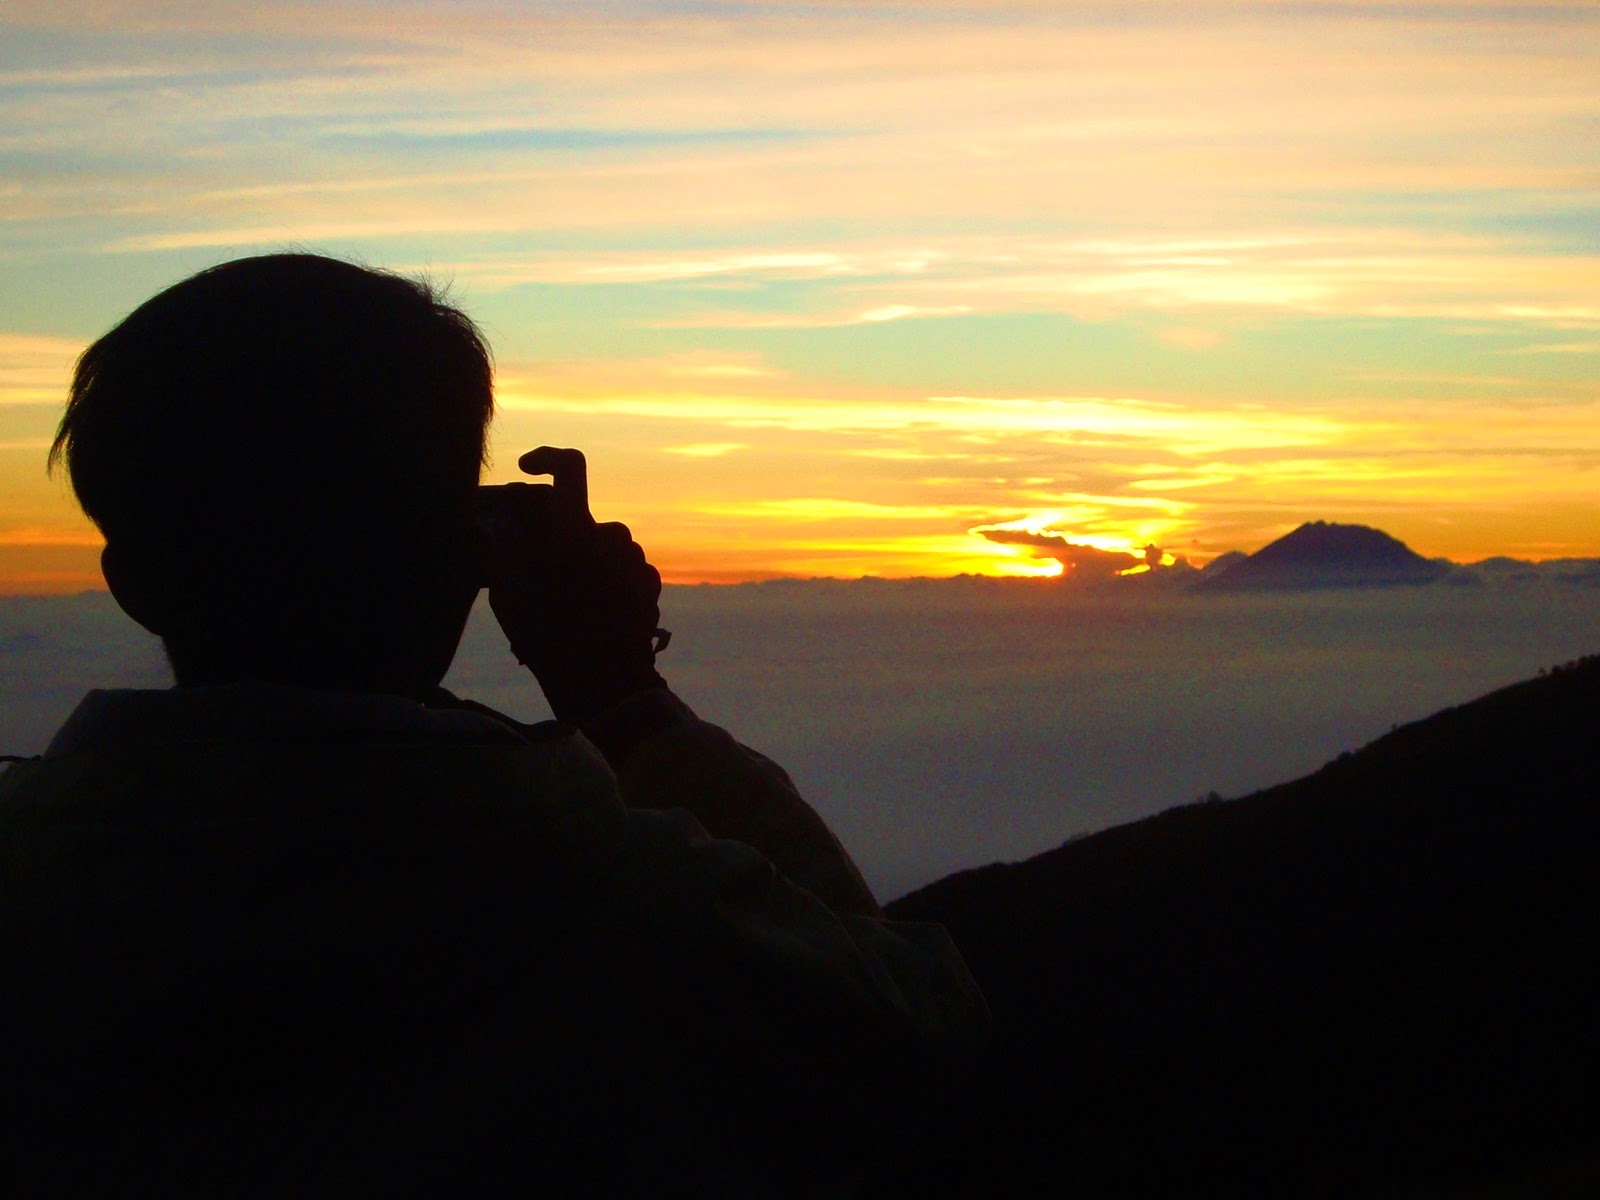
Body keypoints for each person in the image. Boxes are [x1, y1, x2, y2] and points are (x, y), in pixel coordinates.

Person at [0, 254, 988, 1197]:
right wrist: (618, 695)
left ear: (132, 581)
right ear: (463, 554)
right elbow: (913, 1032)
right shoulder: (625, 906)